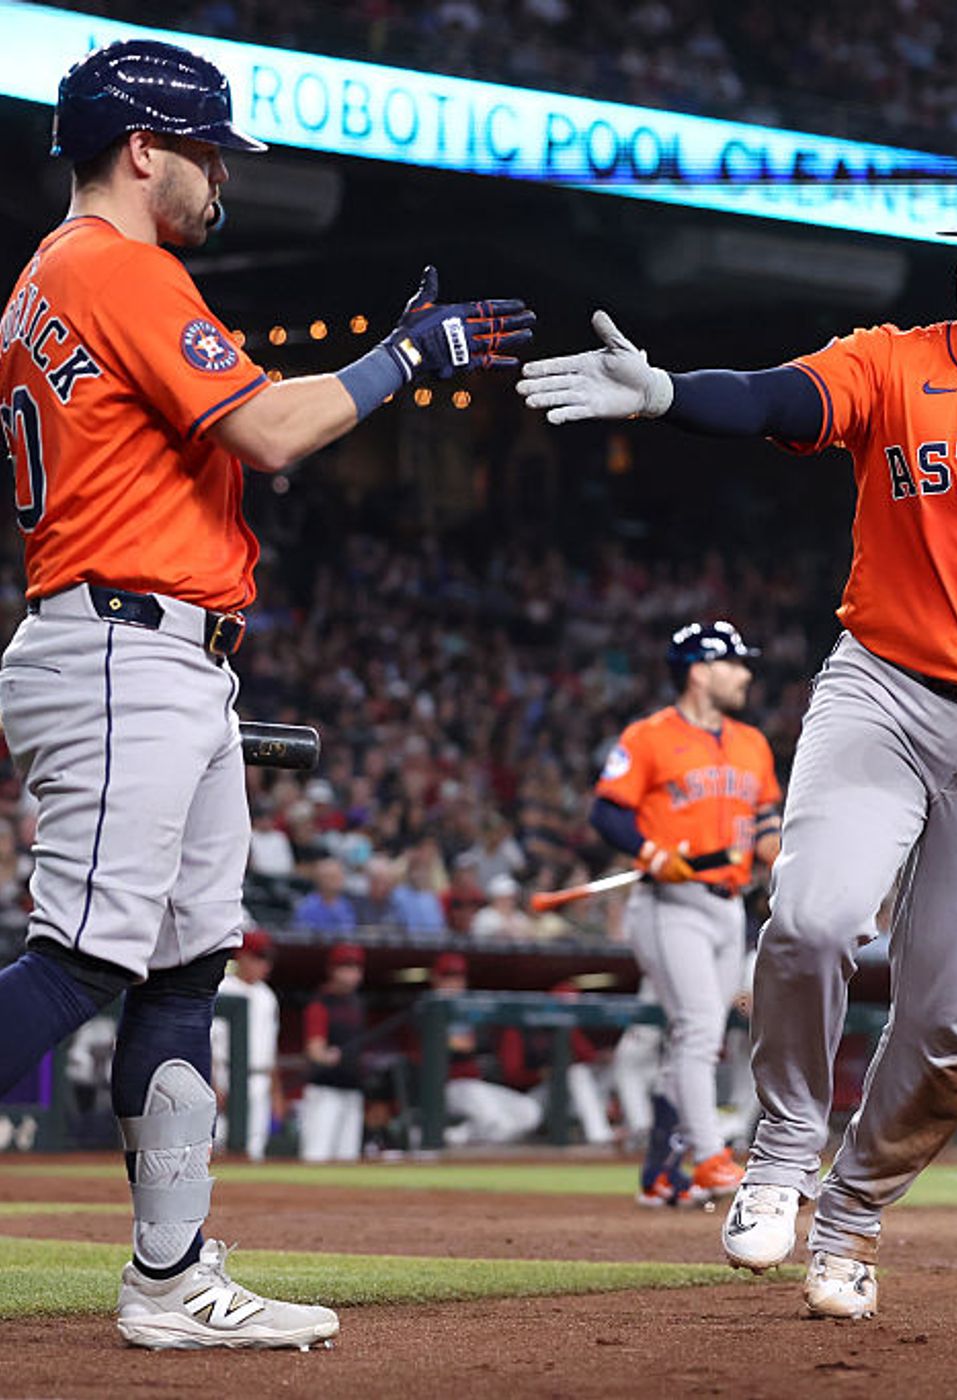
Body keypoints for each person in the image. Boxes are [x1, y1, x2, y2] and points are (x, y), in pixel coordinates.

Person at [520, 165, 957, 1318]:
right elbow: (774, 399)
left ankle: (851, 1213)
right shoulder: (895, 360)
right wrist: (664, 395)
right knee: (807, 918)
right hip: (881, 691)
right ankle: (781, 1150)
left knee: (954, 1018)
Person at [0, 36, 532, 1351]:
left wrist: (381, 359)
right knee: (80, 959)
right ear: (143, 150)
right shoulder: (114, 266)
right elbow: (276, 435)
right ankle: (170, 1278)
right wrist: (412, 362)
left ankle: (171, 1280)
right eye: (207, 154)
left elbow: (251, 412)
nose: (220, 178)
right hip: (121, 644)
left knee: (183, 971)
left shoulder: (58, 279)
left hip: (163, 651)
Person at [589, 622, 782, 1205]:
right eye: (734, 663)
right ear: (700, 670)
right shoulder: (649, 736)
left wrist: (782, 858)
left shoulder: (751, 742)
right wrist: (652, 852)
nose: (745, 674)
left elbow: (766, 820)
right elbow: (607, 812)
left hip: (729, 907)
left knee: (700, 1038)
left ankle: (660, 1174)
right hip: (669, 904)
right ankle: (710, 1160)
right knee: (698, 1028)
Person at [428, 951, 543, 1146]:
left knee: (530, 1112)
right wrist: (460, 1043)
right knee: (495, 1122)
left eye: (458, 977)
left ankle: (454, 1137)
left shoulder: (469, 1011)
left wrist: (464, 1043)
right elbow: (454, 1046)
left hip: (474, 1084)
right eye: (448, 976)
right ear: (435, 979)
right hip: (447, 1087)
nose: (454, 983)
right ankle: (450, 1142)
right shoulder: (428, 1008)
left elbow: (476, 1045)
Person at [212, 928, 283, 1162]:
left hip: (260, 1077)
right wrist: (212, 1083)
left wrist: (277, 1094)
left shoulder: (268, 996)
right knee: (219, 1142)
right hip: (226, 1073)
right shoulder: (222, 988)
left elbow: (271, 1050)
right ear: (242, 957)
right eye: (258, 957)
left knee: (254, 1148)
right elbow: (208, 1042)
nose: (265, 965)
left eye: (267, 959)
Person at [299, 942, 367, 1163]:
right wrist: (327, 1056)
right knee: (317, 1154)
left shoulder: (357, 1004)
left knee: (348, 1157)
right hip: (325, 1090)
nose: (351, 973)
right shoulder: (321, 1004)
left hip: (352, 1089)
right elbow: (314, 1048)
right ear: (333, 970)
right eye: (345, 967)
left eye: (355, 967)